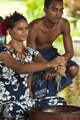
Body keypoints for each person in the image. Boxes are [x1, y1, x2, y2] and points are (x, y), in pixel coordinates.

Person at [0, 11, 66, 120]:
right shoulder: (3, 53)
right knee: (12, 109)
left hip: (27, 103)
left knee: (60, 102)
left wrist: (57, 67)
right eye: (20, 29)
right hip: (6, 104)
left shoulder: (32, 52)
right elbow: (20, 68)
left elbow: (47, 67)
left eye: (26, 28)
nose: (24, 32)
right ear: (10, 31)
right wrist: (50, 63)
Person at [27, 0, 79, 98]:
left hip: (51, 53)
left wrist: (57, 63)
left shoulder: (64, 24)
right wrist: (49, 66)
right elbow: (32, 54)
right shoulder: (34, 27)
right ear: (45, 10)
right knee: (36, 91)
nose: (58, 14)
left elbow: (70, 52)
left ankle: (52, 92)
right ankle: (48, 93)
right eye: (54, 10)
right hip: (36, 57)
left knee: (74, 69)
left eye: (61, 10)